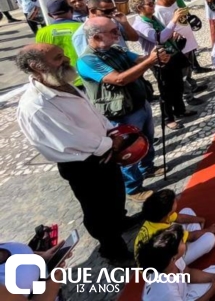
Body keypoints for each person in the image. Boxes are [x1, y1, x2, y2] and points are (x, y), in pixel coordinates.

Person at [15, 43, 132, 261]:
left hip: (103, 150)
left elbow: (90, 113)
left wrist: (110, 131)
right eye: (58, 58)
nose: (66, 59)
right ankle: (113, 251)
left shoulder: (60, 84)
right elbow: (71, 139)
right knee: (98, 211)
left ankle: (121, 222)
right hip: (83, 164)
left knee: (115, 194)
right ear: (36, 66)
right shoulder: (36, 104)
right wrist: (109, 143)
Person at [77, 17, 166, 201]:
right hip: (121, 114)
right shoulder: (87, 61)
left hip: (140, 103)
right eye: (113, 31)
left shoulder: (115, 49)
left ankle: (147, 167)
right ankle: (133, 188)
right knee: (127, 152)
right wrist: (150, 62)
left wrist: (156, 57)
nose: (118, 34)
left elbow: (139, 59)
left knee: (147, 140)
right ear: (96, 36)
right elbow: (118, 79)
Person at [130, 0, 193, 131]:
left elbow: (165, 32)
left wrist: (173, 33)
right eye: (150, 4)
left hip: (171, 54)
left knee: (178, 85)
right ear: (140, 7)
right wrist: (173, 20)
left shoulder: (153, 18)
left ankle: (180, 109)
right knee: (166, 91)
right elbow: (158, 38)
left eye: (152, 2)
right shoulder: (140, 24)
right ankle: (168, 118)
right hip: (159, 60)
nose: (153, 5)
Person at [138, 225, 215, 301]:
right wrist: (212, 291)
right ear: (173, 257)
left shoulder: (171, 260)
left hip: (182, 294)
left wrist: (213, 277)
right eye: (181, 242)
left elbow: (188, 273)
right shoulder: (167, 290)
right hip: (177, 296)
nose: (184, 242)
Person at [135, 189, 215, 266]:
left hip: (158, 255)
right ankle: (184, 256)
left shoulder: (155, 217)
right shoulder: (165, 232)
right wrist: (209, 230)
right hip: (163, 268)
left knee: (187, 211)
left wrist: (201, 220)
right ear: (168, 214)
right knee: (210, 238)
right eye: (174, 201)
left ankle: (188, 243)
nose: (177, 200)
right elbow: (192, 236)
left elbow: (181, 218)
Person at [35, 0, 83, 88]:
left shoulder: (42, 32)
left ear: (50, 15)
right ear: (71, 10)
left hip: (59, 80)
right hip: (85, 77)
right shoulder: (83, 27)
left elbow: (40, 57)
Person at [71, 0, 139, 55]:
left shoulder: (114, 22)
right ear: (93, 11)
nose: (111, 14)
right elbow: (87, 60)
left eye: (113, 10)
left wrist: (125, 23)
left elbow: (134, 38)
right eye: (107, 11)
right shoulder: (82, 33)